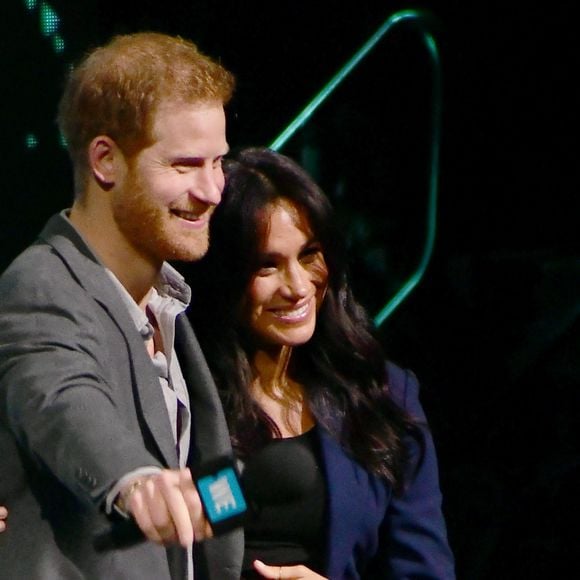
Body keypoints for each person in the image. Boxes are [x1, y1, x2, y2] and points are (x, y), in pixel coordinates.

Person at [0, 32, 243, 579]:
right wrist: (133, 478)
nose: (213, 190)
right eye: (184, 166)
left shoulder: (166, 302)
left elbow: (198, 480)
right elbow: (62, 396)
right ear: (106, 161)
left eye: (218, 162)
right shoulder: (40, 287)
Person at [186, 147, 456, 579]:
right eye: (267, 266)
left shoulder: (385, 397)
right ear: (224, 276)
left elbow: (426, 572)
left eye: (309, 254)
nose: (297, 286)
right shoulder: (178, 391)